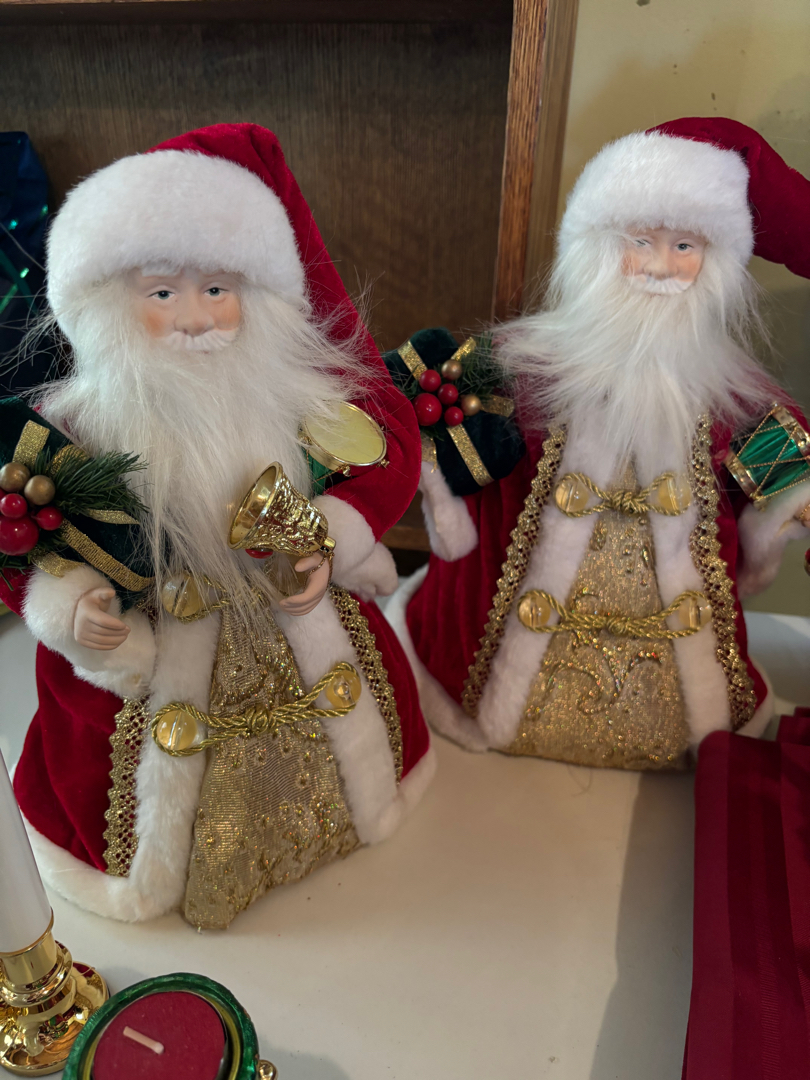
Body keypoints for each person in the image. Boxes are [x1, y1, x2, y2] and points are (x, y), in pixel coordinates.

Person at [1, 124, 433, 928]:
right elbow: (38, 544)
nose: (196, 319)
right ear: (109, 307)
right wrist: (73, 605)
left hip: (294, 622)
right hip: (152, 653)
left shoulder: (295, 403)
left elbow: (358, 475)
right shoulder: (76, 428)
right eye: (163, 295)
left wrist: (323, 542)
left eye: (217, 290)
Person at [390, 118, 810, 770]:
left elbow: (787, 475)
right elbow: (424, 418)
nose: (661, 266)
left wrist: (791, 504)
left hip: (675, 680)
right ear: (599, 249)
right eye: (641, 242)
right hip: (487, 657)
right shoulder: (519, 363)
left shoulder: (732, 393)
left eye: (684, 246)